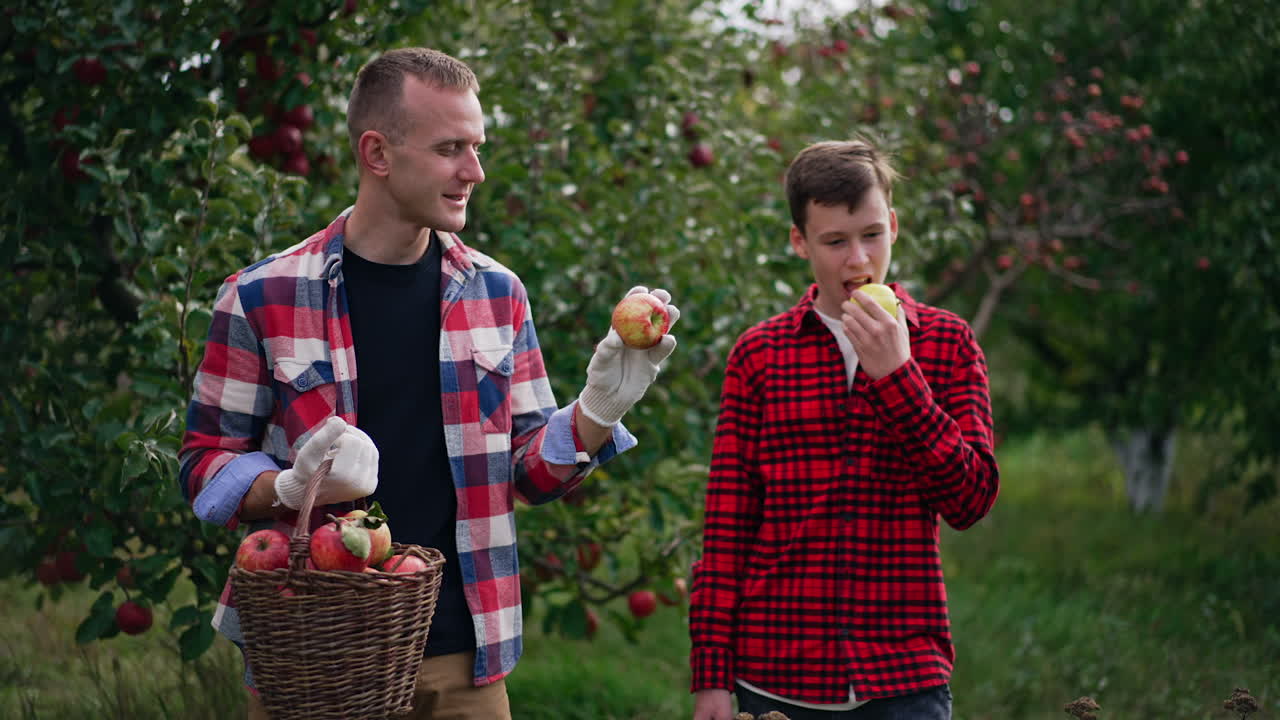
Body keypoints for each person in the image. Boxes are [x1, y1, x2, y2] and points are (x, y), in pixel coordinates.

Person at [177, 47, 679, 720]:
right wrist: (288, 488)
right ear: (378, 154)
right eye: (450, 149)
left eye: (476, 146)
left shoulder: (499, 294)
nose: (474, 170)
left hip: (464, 653)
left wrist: (594, 412)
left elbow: (529, 474)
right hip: (314, 651)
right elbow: (204, 465)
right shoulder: (261, 296)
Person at [688, 139, 998, 720]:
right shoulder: (760, 355)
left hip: (903, 677)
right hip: (778, 675)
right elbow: (727, 528)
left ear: (894, 226)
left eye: (872, 235)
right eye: (835, 242)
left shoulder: (947, 342)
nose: (858, 260)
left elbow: (970, 501)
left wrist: (899, 377)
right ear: (799, 241)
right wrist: (710, 676)